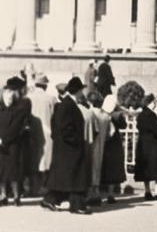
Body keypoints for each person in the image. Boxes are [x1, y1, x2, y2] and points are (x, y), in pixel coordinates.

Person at [42, 77, 91, 215]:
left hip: (65, 148)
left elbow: (55, 125)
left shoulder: (65, 104)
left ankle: (51, 199)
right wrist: (76, 141)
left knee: (65, 178)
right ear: (78, 91)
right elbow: (65, 128)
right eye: (81, 90)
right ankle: (77, 205)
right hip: (70, 149)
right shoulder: (68, 105)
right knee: (74, 177)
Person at [0, 77, 31, 206]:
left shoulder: (20, 108)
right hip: (2, 144)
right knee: (1, 171)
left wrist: (4, 140)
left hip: (13, 144)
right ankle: (3, 196)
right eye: (5, 96)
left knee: (14, 171)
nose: (8, 99)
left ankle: (16, 196)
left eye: (10, 96)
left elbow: (18, 127)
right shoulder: (1, 110)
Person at [135, 94, 157, 200]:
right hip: (153, 144)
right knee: (156, 168)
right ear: (150, 103)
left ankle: (147, 191)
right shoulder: (152, 115)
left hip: (143, 144)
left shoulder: (141, 115)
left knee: (145, 169)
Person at [28, 73, 55, 187]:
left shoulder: (29, 97)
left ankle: (33, 186)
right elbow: (54, 116)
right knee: (46, 161)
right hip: (48, 132)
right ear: (45, 86)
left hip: (32, 132)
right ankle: (44, 185)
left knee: (34, 159)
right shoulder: (51, 99)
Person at [101, 94, 126, 203]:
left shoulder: (101, 114)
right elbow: (124, 125)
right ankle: (111, 193)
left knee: (103, 167)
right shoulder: (117, 116)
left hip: (104, 143)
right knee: (112, 168)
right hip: (114, 144)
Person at [86, 91, 110, 205]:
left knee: (90, 168)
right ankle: (97, 193)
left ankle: (91, 194)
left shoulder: (90, 113)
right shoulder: (106, 116)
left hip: (91, 144)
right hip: (102, 144)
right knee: (98, 168)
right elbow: (110, 133)